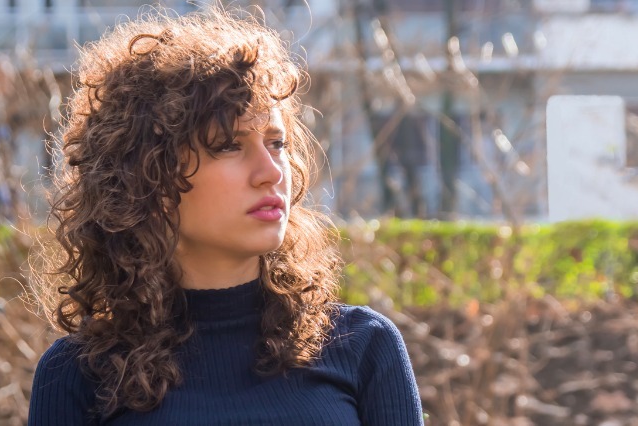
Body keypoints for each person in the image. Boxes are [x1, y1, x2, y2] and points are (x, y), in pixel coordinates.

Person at [28, 6, 423, 425]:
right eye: (229, 145)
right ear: (149, 177)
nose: (271, 172)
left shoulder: (362, 346)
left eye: (276, 143)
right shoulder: (78, 374)